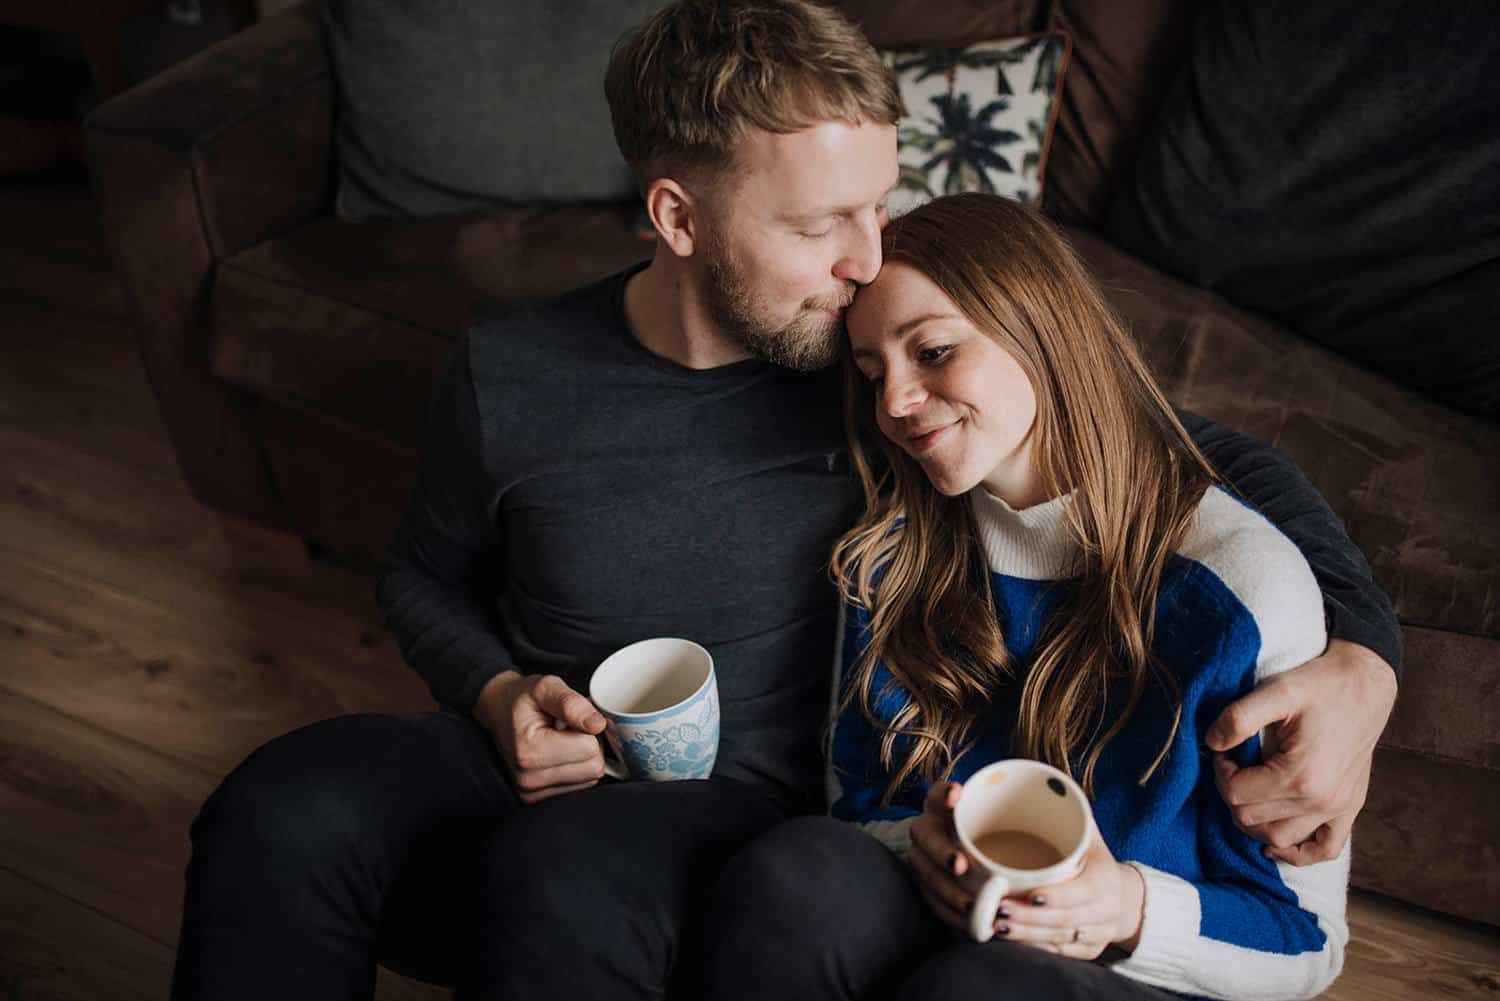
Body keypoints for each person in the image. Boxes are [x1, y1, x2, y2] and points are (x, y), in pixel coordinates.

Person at [167, 3, 1397, 999]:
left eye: (881, 203)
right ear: (679, 217)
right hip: (551, 757)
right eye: (823, 225)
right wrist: (497, 692)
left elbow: (1176, 454)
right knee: (278, 807)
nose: (869, 258)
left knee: (568, 877)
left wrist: (1365, 660)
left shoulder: (879, 377)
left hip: (764, 807)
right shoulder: (513, 375)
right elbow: (419, 575)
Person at [687, 192, 1349, 1001]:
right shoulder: (891, 553)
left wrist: (1130, 911)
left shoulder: (1245, 588)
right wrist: (916, 845)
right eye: (871, 375)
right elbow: (852, 811)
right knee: (791, 872)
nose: (893, 401)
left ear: (1041, 328)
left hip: (1140, 969)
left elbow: (1308, 944)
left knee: (985, 986)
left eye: (930, 351)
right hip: (944, 921)